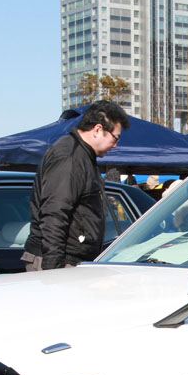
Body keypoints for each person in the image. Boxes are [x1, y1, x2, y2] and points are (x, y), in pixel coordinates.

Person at [24, 100, 130, 271]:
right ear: (98, 129)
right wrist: (53, 271)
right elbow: (54, 213)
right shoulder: (70, 157)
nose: (116, 145)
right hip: (57, 260)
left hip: (68, 258)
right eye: (115, 138)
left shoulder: (83, 155)